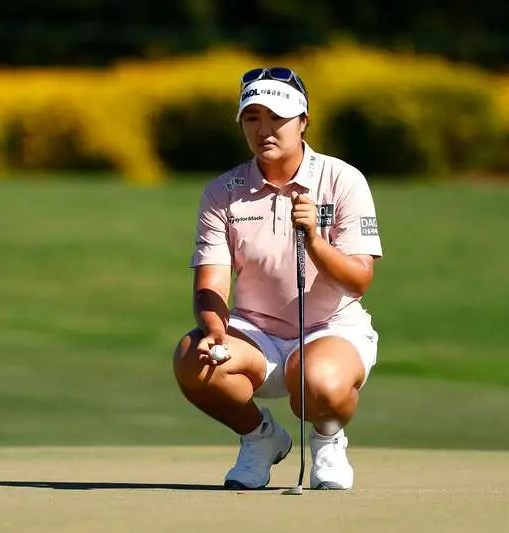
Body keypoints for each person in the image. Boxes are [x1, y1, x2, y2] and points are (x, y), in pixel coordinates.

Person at [172, 67, 384, 490]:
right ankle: (261, 439)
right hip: (255, 335)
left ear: (303, 122)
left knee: (316, 381)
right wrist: (215, 330)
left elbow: (359, 280)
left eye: (278, 118)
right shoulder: (224, 190)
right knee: (191, 358)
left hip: (331, 328)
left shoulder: (342, 180)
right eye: (253, 118)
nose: (264, 130)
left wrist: (315, 242)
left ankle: (327, 439)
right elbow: (211, 283)